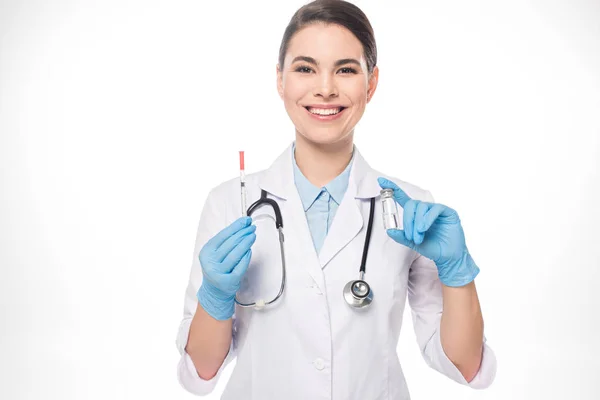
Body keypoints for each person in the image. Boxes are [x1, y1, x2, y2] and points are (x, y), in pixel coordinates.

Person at [175, 1, 497, 398]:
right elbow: (200, 373)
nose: (325, 88)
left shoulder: (410, 208)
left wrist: (457, 272)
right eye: (305, 68)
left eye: (345, 69)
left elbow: (466, 366)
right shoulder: (230, 203)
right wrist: (215, 296)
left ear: (371, 83)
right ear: (280, 80)